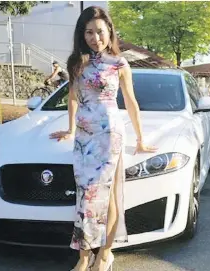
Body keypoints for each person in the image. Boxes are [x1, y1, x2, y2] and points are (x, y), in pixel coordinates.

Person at [49, 6, 157, 271]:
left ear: (109, 31)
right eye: (88, 32)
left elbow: (131, 102)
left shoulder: (119, 63)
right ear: (82, 34)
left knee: (105, 195)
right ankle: (84, 257)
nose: (94, 37)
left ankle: (104, 254)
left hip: (109, 134)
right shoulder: (77, 62)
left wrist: (140, 138)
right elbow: (73, 98)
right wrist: (71, 129)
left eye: (99, 31)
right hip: (84, 137)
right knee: (85, 196)